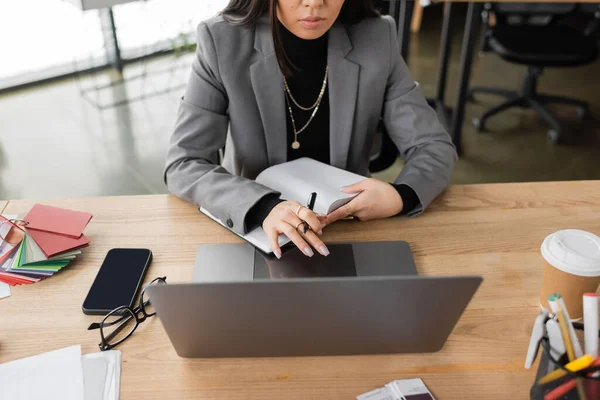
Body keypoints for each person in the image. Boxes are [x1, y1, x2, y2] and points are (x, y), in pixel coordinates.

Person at [165, 0, 457, 259]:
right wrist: (262, 207)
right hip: (258, 230)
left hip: (348, 228)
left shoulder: (378, 36)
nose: (315, 4)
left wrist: (400, 195)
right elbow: (184, 162)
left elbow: (434, 146)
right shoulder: (221, 40)